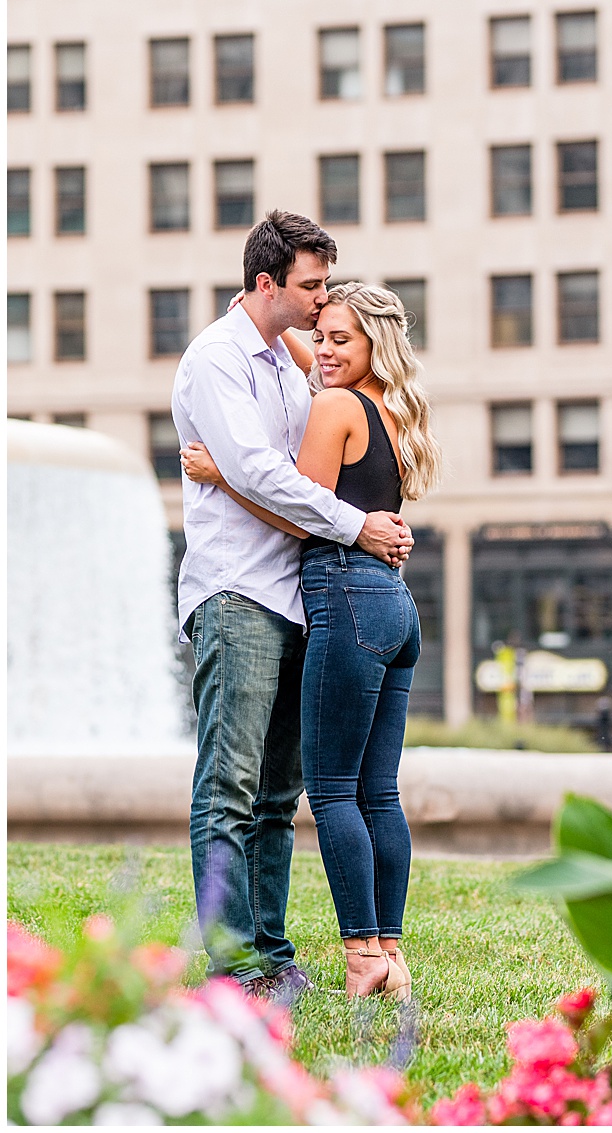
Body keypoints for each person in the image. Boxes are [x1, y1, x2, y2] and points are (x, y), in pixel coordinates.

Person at [172, 212, 413, 1004]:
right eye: (311, 287)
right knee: (230, 785)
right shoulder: (217, 359)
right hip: (238, 591)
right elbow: (266, 475)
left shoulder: (290, 359)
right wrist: (358, 524)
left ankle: (274, 954)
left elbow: (283, 459)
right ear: (266, 283)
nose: (320, 302)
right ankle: (234, 962)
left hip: (302, 598)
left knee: (279, 794)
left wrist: (232, 472)